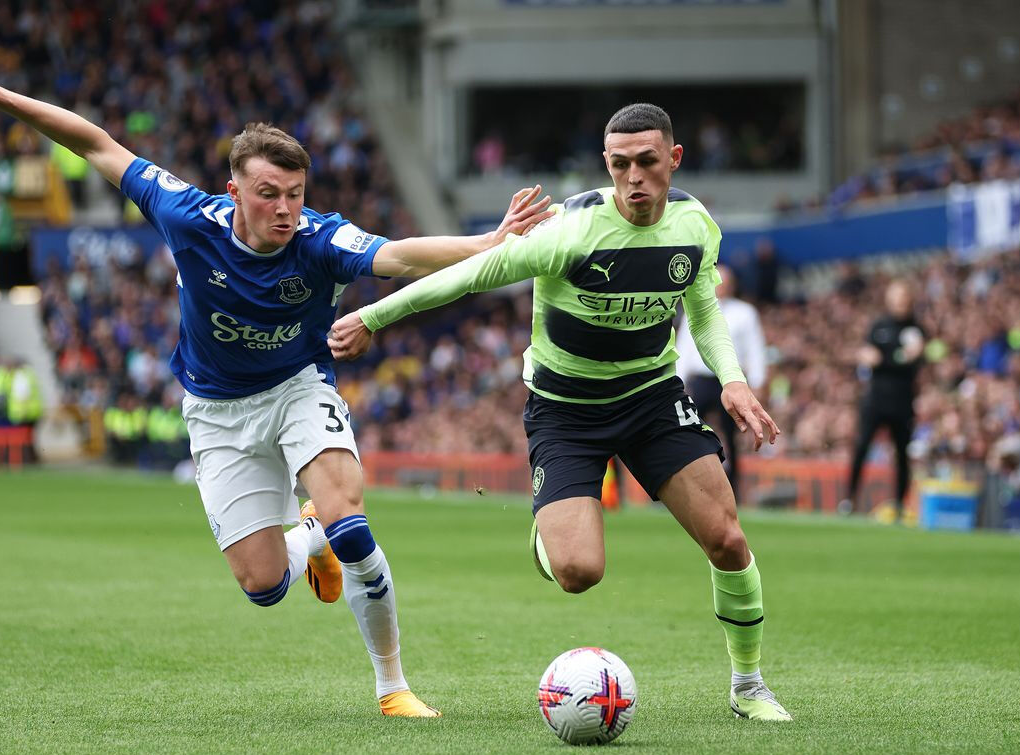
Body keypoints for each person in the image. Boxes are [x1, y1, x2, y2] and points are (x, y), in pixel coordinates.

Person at [0, 40, 551, 717]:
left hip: (299, 388)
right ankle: (309, 533)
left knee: (352, 523)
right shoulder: (189, 218)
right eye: (268, 194)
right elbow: (95, 143)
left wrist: (486, 243)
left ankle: (392, 687)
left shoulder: (319, 240)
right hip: (217, 411)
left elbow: (398, 255)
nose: (285, 209)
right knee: (264, 586)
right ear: (235, 192)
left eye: (295, 195)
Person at [331, 103, 792, 721]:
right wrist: (372, 315)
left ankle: (748, 685)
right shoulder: (569, 233)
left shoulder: (694, 225)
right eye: (620, 164)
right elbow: (469, 276)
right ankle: (549, 529)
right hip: (566, 410)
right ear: (606, 163)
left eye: (647, 161)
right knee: (578, 572)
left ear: (674, 159)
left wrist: (732, 380)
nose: (633, 177)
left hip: (652, 397)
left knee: (728, 539)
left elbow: (702, 308)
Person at [676, 266, 767, 501]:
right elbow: (685, 345)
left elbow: (755, 349)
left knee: (732, 435)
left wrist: (756, 381)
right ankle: (681, 487)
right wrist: (679, 380)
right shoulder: (693, 307)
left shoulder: (745, 313)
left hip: (729, 381)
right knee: (686, 430)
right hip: (700, 380)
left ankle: (733, 490)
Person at [841, 280, 925, 518]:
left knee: (902, 453)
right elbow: (868, 356)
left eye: (903, 298)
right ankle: (849, 499)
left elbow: (908, 360)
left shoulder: (915, 329)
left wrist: (883, 359)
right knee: (861, 447)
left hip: (902, 401)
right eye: (896, 298)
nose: (900, 303)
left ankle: (899, 503)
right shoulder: (879, 325)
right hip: (875, 399)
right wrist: (893, 358)